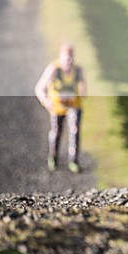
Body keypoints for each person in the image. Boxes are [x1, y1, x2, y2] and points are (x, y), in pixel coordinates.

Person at [34, 43, 87, 173]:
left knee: (74, 130)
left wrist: (82, 91)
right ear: (60, 56)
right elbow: (39, 88)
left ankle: (73, 161)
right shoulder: (54, 69)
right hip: (57, 107)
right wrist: (46, 101)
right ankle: (53, 157)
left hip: (74, 105)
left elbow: (84, 89)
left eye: (71, 57)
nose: (68, 60)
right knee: (56, 131)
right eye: (66, 57)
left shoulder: (78, 70)